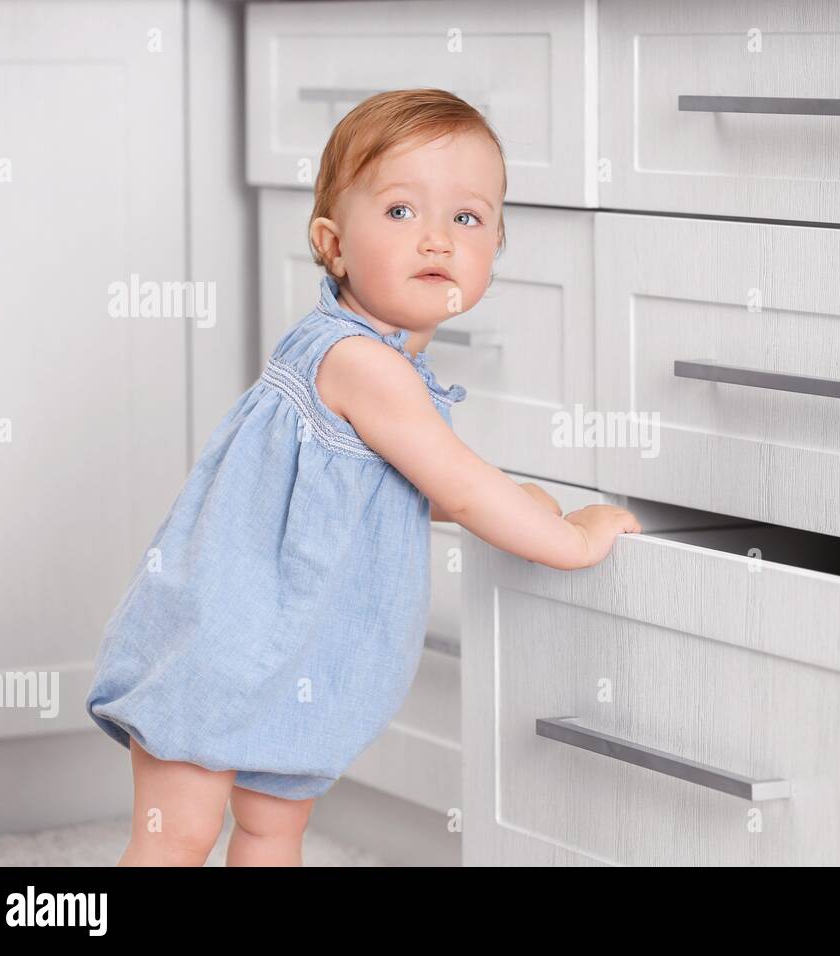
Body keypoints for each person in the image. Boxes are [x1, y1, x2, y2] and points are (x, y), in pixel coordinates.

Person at [85, 89, 640, 866]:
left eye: (468, 219)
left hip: (297, 657)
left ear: (495, 251)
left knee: (272, 829)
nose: (438, 240)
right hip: (228, 647)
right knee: (177, 836)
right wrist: (569, 538)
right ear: (333, 244)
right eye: (402, 212)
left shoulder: (387, 371)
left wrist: (518, 502)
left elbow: (391, 487)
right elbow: (462, 489)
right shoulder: (359, 363)